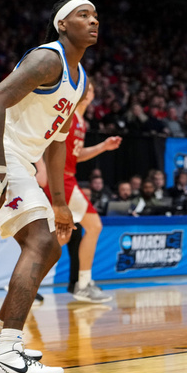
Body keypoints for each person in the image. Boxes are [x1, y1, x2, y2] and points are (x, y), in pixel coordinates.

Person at [0, 0, 97, 373]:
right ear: (62, 25)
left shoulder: (79, 76)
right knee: (41, 243)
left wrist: (60, 203)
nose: (93, 21)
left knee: (50, 244)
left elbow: (57, 143)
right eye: (82, 15)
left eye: (95, 16)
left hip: (18, 158)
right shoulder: (47, 59)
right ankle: (6, 355)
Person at [35, 81, 121, 303]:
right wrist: (41, 167)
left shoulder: (81, 122)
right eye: (84, 87)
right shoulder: (67, 114)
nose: (87, 91)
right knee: (94, 226)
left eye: (90, 88)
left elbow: (77, 154)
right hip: (60, 179)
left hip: (67, 178)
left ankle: (24, 283)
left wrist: (103, 147)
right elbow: (41, 138)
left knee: (62, 237)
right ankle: (83, 284)